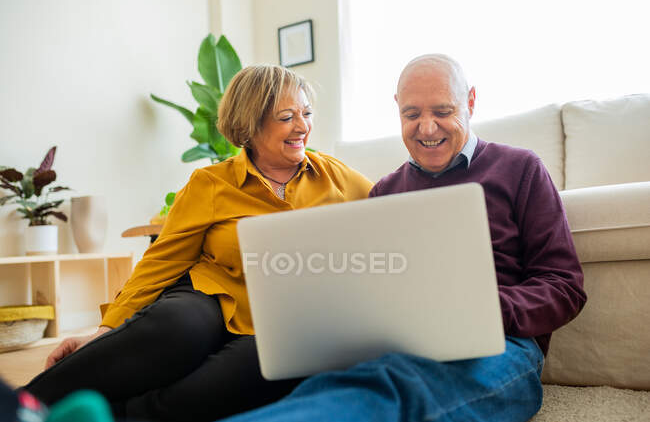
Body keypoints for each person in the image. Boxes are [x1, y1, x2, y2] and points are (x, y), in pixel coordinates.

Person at [212, 54, 588, 422]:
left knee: (398, 391)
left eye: (442, 112)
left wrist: (485, 310)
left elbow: (565, 286)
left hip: (503, 346)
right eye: (412, 115)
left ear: (470, 102)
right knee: (331, 385)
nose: (427, 128)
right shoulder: (385, 192)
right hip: (399, 349)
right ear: (397, 109)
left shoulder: (521, 168)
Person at [23, 64, 373, 422]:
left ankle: (112, 416)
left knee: (249, 371)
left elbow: (392, 211)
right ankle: (25, 403)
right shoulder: (210, 183)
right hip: (211, 295)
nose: (303, 126)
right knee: (178, 327)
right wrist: (104, 332)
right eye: (287, 117)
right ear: (250, 125)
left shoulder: (338, 179)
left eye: (307, 113)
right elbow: (161, 262)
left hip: (283, 319)